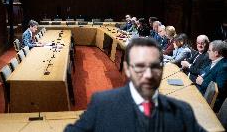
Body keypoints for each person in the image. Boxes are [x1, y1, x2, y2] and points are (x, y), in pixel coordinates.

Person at [64, 38, 205, 132]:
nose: (148, 74)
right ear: (127, 69)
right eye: (140, 66)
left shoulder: (182, 112)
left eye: (155, 66)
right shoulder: (102, 105)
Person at [196, 40, 227, 112]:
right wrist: (201, 76)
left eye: (209, 50)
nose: (207, 52)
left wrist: (202, 83)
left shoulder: (224, 67)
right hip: (200, 93)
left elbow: (219, 89)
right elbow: (204, 71)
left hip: (208, 103)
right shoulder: (214, 60)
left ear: (216, 53)